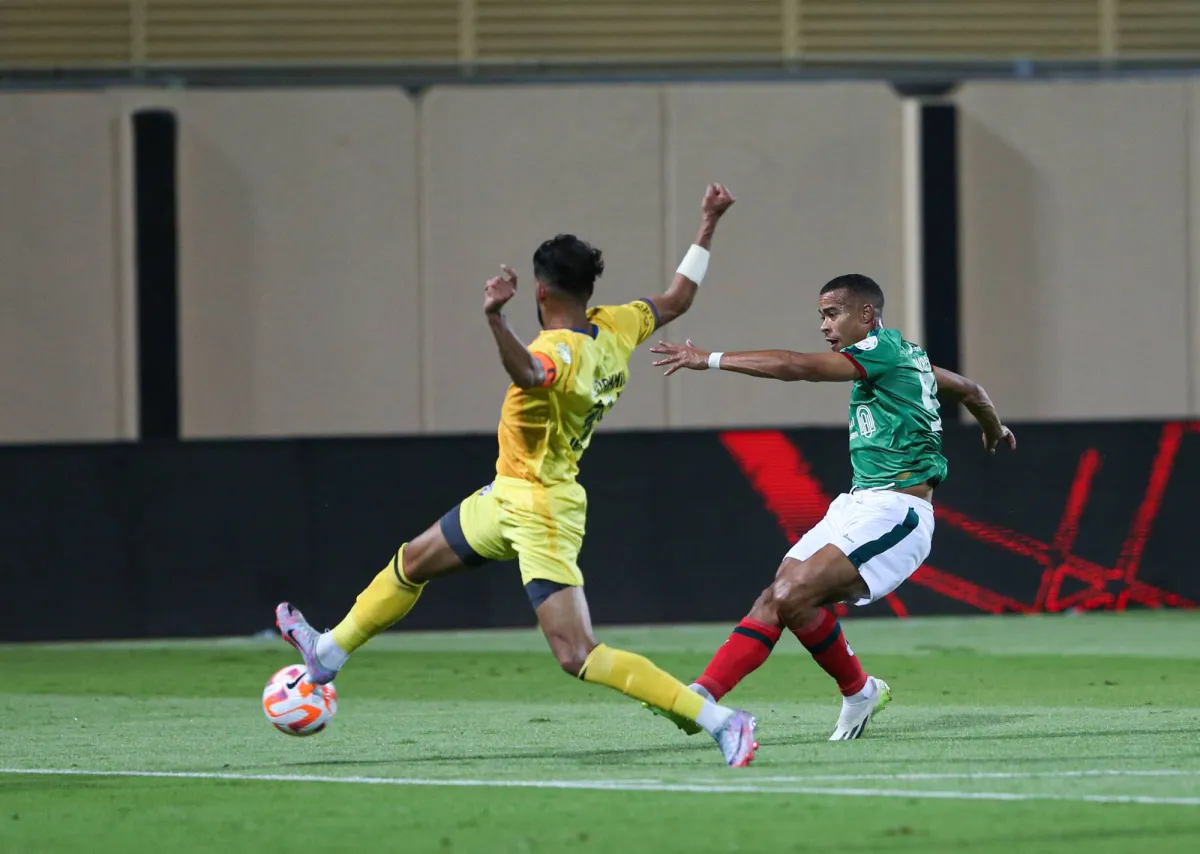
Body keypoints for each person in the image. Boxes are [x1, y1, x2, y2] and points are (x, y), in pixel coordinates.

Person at [276, 184, 761, 766]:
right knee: (413, 561)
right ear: (588, 289)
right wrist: (707, 222)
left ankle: (723, 722)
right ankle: (328, 653)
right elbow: (678, 299)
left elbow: (531, 373)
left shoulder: (559, 350)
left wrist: (494, 319)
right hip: (507, 492)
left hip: (542, 508)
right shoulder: (617, 325)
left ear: (540, 289)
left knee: (577, 653)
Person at [647, 273, 1015, 741]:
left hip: (898, 513)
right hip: (856, 504)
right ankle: (702, 697)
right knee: (778, 596)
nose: (824, 325)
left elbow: (796, 366)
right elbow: (971, 390)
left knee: (793, 592)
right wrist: (994, 428)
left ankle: (857, 691)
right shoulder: (906, 358)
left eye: (832, 314)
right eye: (821, 316)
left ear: (866, 313)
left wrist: (710, 359)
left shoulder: (881, 351)